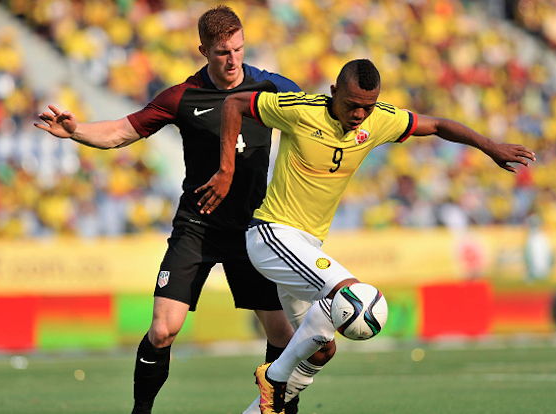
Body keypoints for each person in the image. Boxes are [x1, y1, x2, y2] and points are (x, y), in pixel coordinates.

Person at [34, 6, 335, 414]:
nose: (233, 60)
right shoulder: (182, 97)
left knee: (282, 336)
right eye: (222, 52)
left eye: (239, 49)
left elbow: (319, 121)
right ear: (203, 50)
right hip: (198, 226)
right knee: (162, 330)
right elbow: (122, 132)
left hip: (255, 230)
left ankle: (280, 411)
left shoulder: (273, 87)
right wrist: (76, 131)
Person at [196, 58, 537, 414]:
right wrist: (226, 169)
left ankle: (263, 406)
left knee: (323, 349)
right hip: (271, 235)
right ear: (333, 92)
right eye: (351, 105)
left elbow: (436, 125)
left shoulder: (378, 120)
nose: (359, 114)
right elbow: (235, 103)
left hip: (306, 248)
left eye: (367, 106)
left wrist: (489, 146)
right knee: (353, 298)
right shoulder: (301, 110)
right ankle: (276, 378)